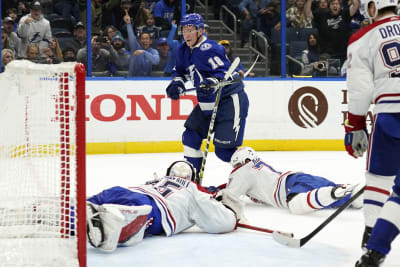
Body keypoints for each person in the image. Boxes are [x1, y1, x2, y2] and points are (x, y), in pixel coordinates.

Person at [343, 0, 400, 265]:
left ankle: (370, 237)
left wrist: (354, 125)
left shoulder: (362, 37)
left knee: (378, 175)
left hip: (387, 115)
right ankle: (376, 245)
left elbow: (360, 89)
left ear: (373, 7)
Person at [86, 160, 241, 252]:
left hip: (123, 191)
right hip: (152, 207)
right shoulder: (194, 190)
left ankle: (70, 217)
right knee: (125, 221)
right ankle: (107, 226)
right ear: (192, 178)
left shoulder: (156, 181)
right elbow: (222, 222)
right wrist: (231, 211)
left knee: (86, 207)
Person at [165, 13, 249, 180]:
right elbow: (180, 72)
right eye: (184, 30)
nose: (187, 34)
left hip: (228, 100)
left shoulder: (211, 48)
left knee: (223, 151)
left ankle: (256, 173)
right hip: (206, 102)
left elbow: (224, 72)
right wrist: (177, 84)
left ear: (200, 31)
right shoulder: (182, 50)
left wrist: (212, 81)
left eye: (191, 30)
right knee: (190, 137)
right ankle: (193, 182)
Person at [212, 147, 363, 216]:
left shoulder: (243, 170)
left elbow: (229, 196)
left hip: (292, 187)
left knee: (296, 205)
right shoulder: (256, 168)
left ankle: (333, 192)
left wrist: (212, 197)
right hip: (299, 180)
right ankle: (356, 191)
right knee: (352, 198)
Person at [304, 0, 360, 67]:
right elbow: (307, 13)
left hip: (344, 53)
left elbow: (356, 5)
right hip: (326, 54)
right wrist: (309, 1)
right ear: (329, 6)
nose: (335, 5)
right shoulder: (322, 14)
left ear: (340, 6)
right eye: (332, 4)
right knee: (325, 72)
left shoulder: (345, 13)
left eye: (337, 4)